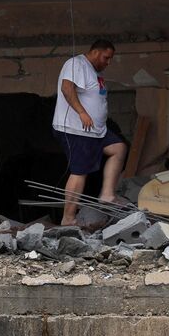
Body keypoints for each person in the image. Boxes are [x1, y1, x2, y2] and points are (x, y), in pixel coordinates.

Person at [52, 39, 128, 225]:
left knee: (118, 148)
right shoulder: (76, 64)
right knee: (80, 171)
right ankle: (68, 218)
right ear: (95, 52)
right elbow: (67, 88)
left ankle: (107, 195)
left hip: (95, 131)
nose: (108, 62)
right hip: (77, 130)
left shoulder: (93, 71)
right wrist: (82, 112)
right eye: (106, 57)